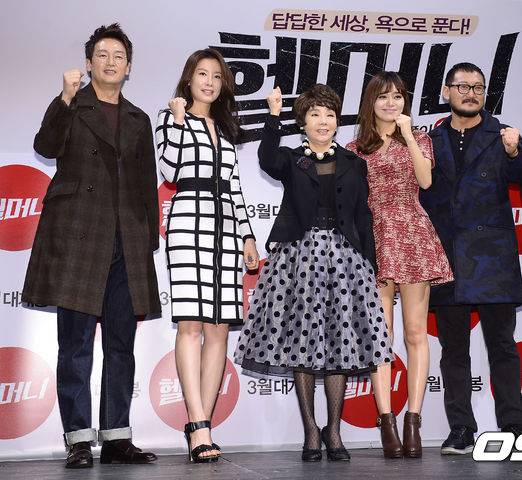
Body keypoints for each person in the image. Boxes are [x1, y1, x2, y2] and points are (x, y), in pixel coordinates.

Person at [22, 23, 160, 468]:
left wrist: (147, 241)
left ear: (128, 66)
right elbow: (45, 145)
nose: (110, 61)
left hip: (126, 241)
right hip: (78, 239)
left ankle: (117, 437)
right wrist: (64, 97)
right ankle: (79, 439)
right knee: (76, 346)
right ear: (88, 63)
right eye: (102, 54)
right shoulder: (73, 105)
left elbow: (146, 182)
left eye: (118, 55)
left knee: (121, 345)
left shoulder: (138, 118)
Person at [234, 84, 394, 462]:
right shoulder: (291, 159)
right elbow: (266, 159)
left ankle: (333, 431)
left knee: (340, 345)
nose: (323, 121)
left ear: (337, 122)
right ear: (303, 122)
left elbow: (363, 216)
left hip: (345, 260)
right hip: (299, 258)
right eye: (315, 114)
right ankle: (310, 431)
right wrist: (273, 116)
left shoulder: (354, 162)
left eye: (330, 115)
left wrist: (371, 264)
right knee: (302, 343)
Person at [419, 62, 522, 454]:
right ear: (447, 91)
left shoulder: (504, 135)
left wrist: (514, 152)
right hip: (448, 258)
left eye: (478, 87)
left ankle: (513, 426)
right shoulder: (428, 140)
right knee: (454, 351)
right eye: (463, 86)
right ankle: (462, 429)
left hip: (492, 258)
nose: (471, 93)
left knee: (503, 346)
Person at [156, 48, 259, 463]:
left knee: (219, 330)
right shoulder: (169, 118)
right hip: (187, 226)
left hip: (226, 233)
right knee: (191, 326)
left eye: (217, 76)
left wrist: (247, 236)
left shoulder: (226, 130)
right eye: (202, 74)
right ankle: (197, 425)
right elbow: (170, 171)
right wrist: (179, 121)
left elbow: (235, 188)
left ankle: (205, 424)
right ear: (189, 78)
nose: (209, 82)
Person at [346, 71, 453, 458]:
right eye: (383, 96)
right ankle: (387, 421)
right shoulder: (355, 147)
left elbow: (425, 182)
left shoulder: (420, 138)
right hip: (374, 238)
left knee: (415, 333)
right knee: (382, 337)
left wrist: (407, 134)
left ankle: (413, 421)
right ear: (370, 102)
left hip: (412, 233)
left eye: (397, 96)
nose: (391, 103)